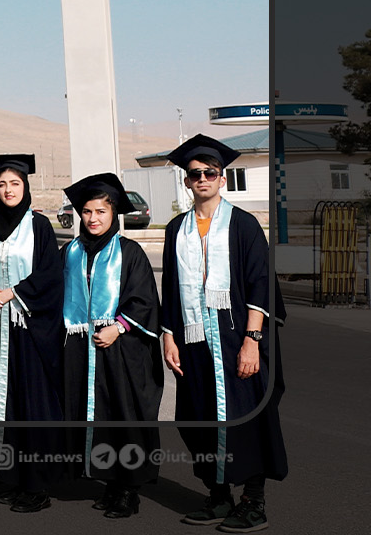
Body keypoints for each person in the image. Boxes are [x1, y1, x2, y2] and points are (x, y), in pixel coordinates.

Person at [160, 135, 288, 532]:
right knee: (198, 418)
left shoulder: (243, 225)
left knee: (246, 419)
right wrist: (168, 336)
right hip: (194, 340)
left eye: (210, 172)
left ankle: (253, 502)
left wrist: (253, 341)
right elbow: (170, 287)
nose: (202, 178)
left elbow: (260, 283)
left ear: (222, 178)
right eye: (195, 173)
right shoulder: (176, 229)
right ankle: (217, 497)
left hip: (236, 340)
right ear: (187, 181)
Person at [60, 172, 161, 518]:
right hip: (80, 349)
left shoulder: (129, 252)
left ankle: (128, 490)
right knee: (93, 417)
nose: (93, 218)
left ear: (113, 214)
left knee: (122, 416)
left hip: (120, 350)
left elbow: (144, 299)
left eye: (101, 211)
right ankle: (109, 483)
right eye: (87, 212)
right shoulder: (70, 252)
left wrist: (118, 327)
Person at [0, 154, 64, 513]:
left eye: (14, 184)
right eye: (2, 184)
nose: (8, 190)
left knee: (31, 407)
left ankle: (37, 486)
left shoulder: (38, 225)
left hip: (30, 334)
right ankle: (14, 478)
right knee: (3, 405)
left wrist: (13, 293)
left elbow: (50, 275)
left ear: (25, 187)